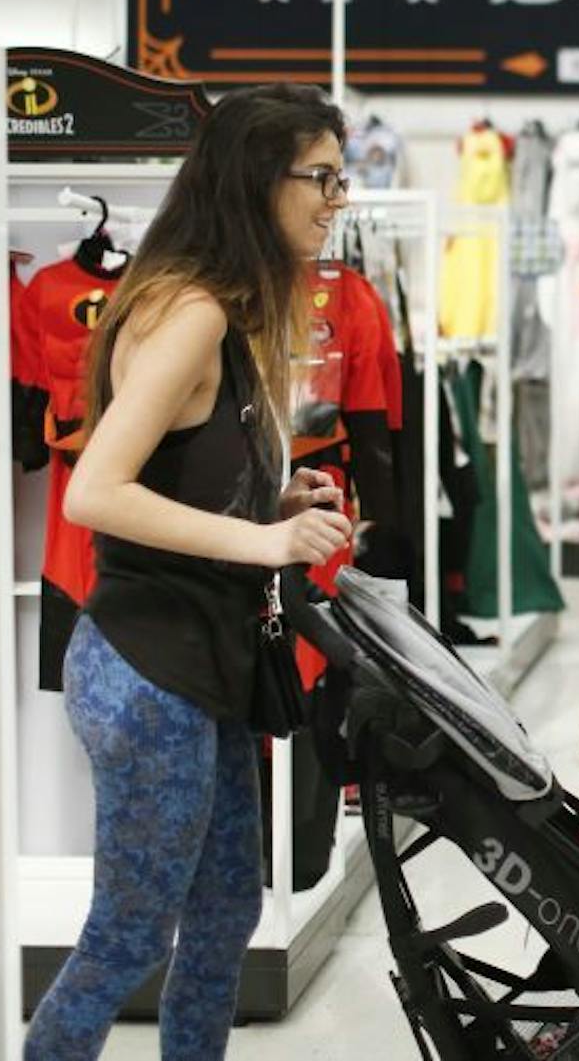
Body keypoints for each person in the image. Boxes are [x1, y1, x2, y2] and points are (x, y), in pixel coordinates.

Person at [24, 84, 358, 1060]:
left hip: (197, 664)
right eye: (322, 178)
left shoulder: (221, 308)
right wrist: (264, 544)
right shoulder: (192, 313)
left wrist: (273, 502)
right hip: (148, 671)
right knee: (130, 933)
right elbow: (95, 492)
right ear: (259, 179)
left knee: (223, 912)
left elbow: (182, 473)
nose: (337, 200)